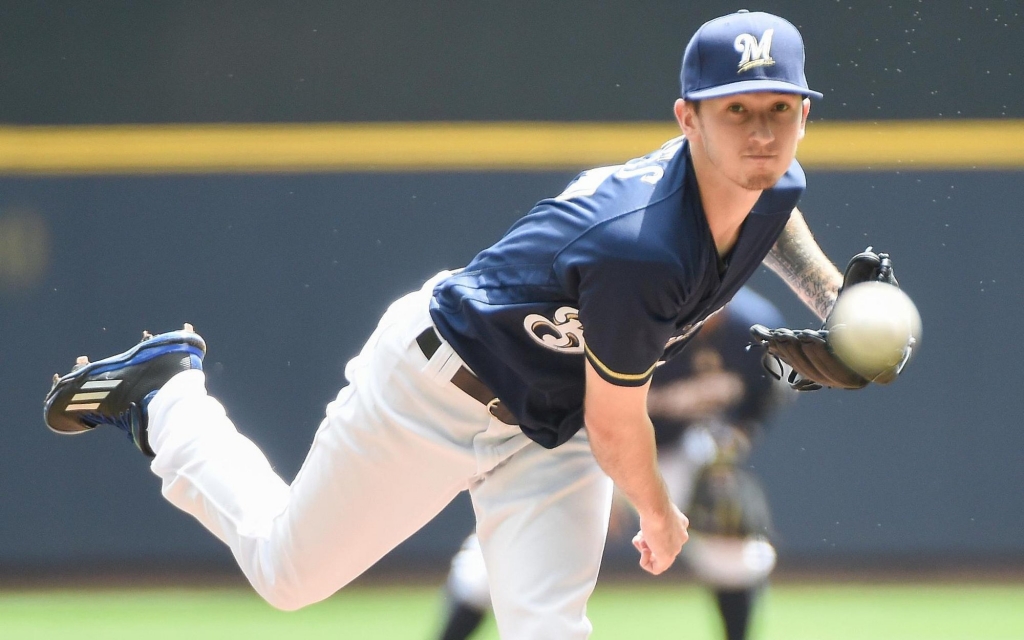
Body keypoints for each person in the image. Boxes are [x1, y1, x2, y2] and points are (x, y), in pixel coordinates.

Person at [43, 11, 902, 639]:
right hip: (435, 389)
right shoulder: (641, 245)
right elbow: (616, 425)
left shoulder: (774, 180)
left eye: (779, 108)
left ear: (804, 114)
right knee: (285, 574)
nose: (761, 132)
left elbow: (776, 218)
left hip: (549, 425)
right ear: (687, 118)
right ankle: (168, 397)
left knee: (549, 630)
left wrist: (833, 304)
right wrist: (657, 512)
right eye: (735, 111)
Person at [434, 287, 791, 640]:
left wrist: (727, 449)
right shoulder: (638, 317)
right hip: (581, 441)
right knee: (494, 566)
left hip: (673, 450)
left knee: (735, 552)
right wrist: (618, 482)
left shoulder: (753, 328)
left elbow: (760, 401)